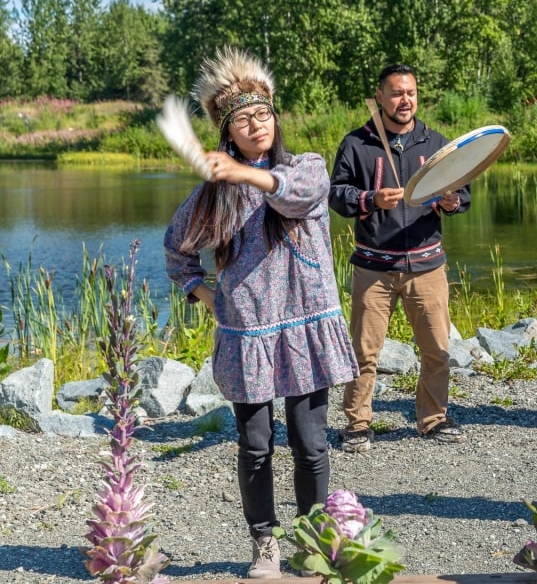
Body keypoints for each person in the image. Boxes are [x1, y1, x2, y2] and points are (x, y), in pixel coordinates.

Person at [164, 47, 357, 578]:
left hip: (306, 327)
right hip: (247, 333)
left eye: (264, 114)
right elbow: (175, 250)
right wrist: (206, 295)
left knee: (310, 441)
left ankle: (315, 540)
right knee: (255, 446)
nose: (257, 125)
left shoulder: (305, 168)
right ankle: (264, 544)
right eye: (244, 119)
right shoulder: (212, 197)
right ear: (228, 133)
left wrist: (244, 175)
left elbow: (295, 196)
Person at [329, 64, 470, 452]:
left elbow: (464, 192)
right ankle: (357, 424)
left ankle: (433, 418)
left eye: (410, 92)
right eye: (396, 93)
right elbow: (336, 194)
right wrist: (368, 199)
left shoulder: (437, 144)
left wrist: (453, 201)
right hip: (373, 267)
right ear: (379, 97)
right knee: (363, 351)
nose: (404, 100)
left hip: (427, 264)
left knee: (437, 349)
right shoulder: (357, 144)